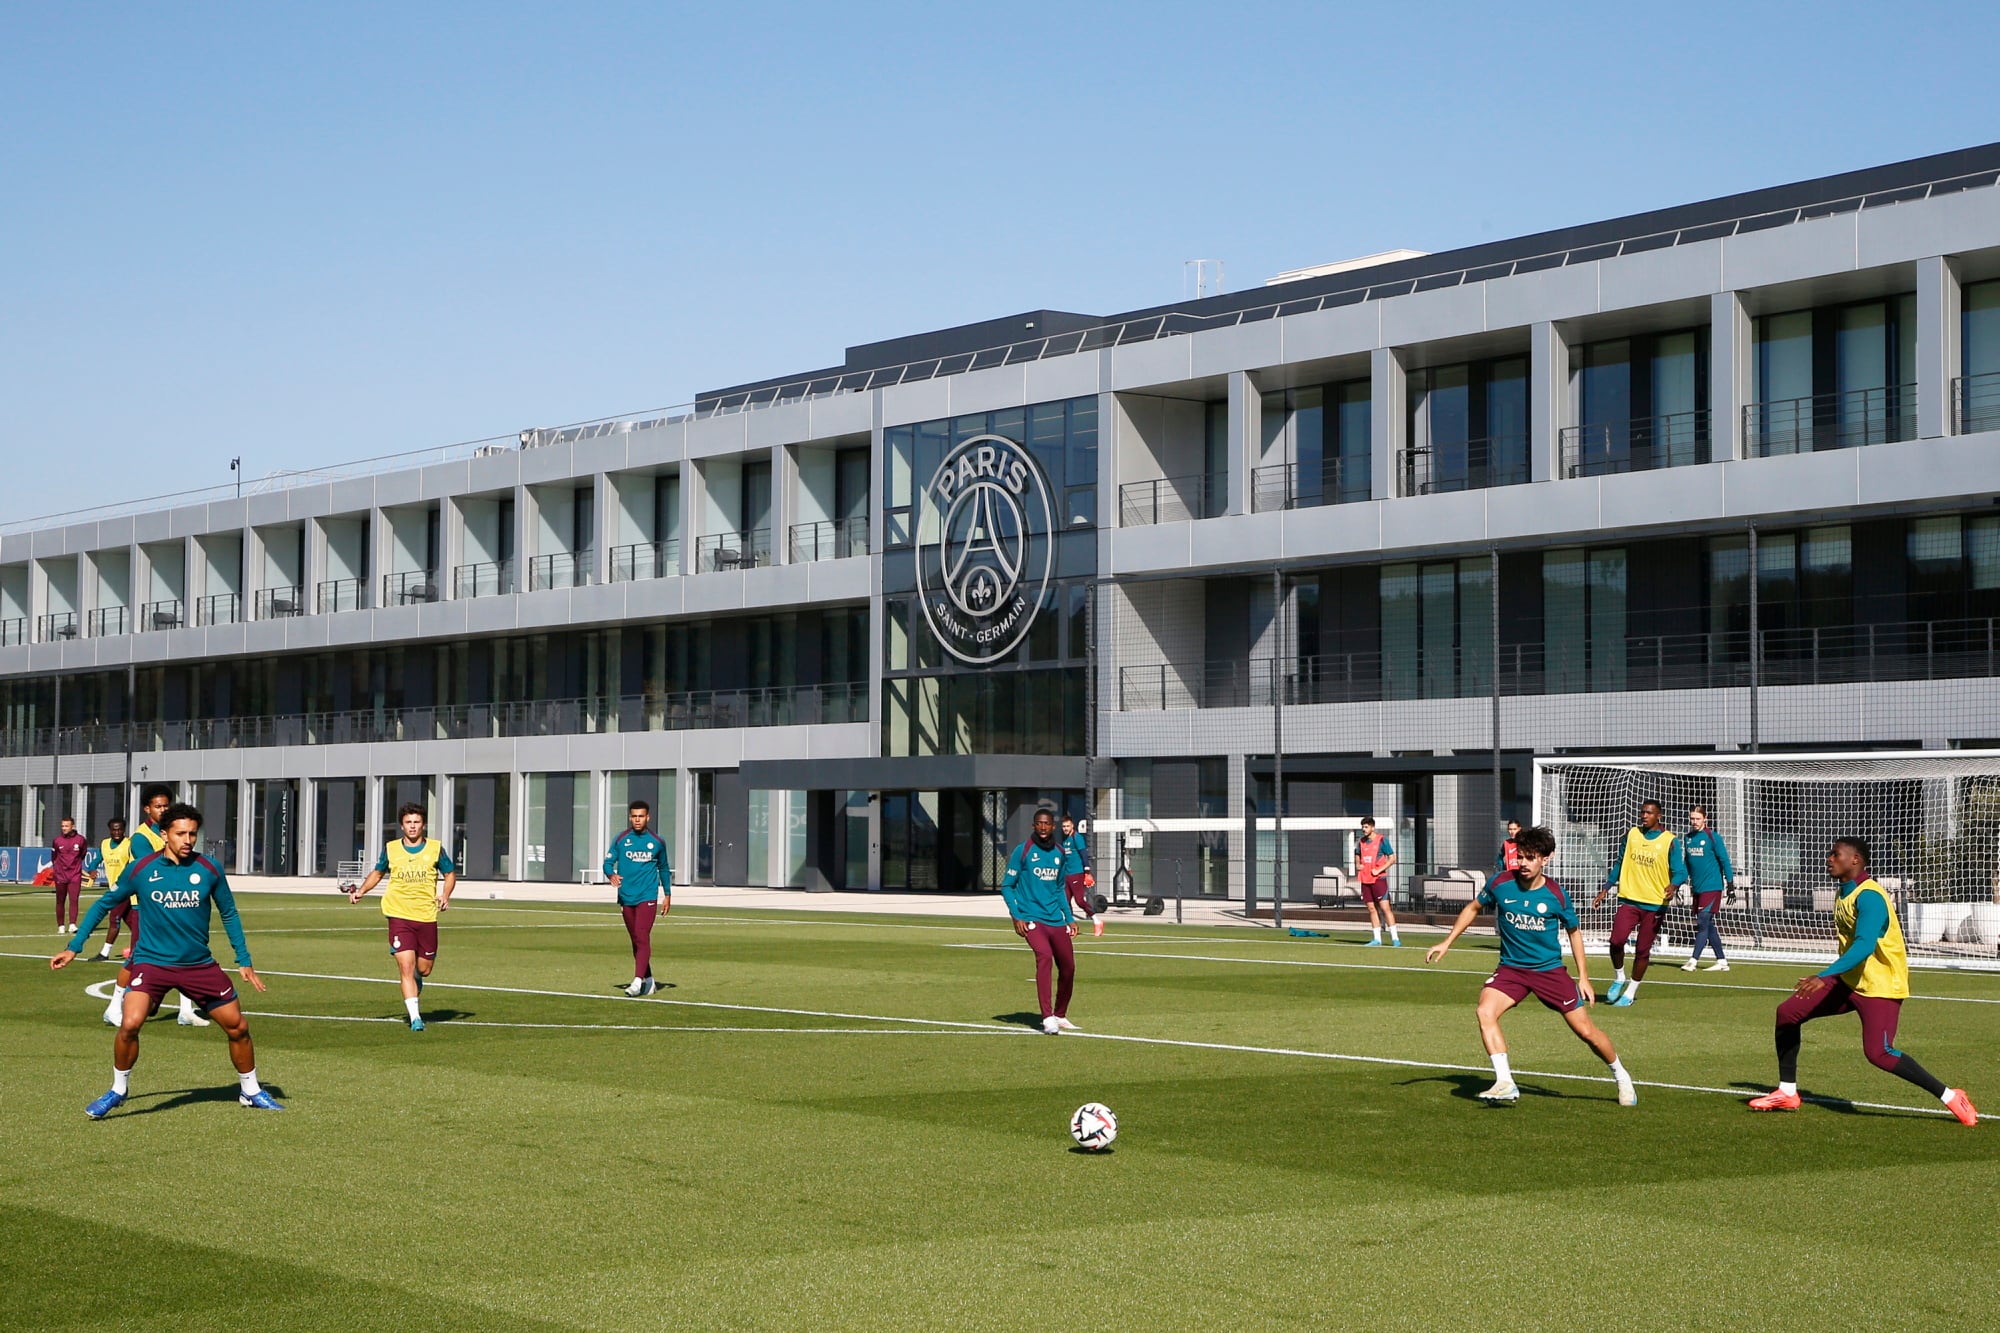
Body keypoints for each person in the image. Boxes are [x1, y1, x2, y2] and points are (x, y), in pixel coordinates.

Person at [52, 801, 283, 1116]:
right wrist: (74, 947)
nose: (188, 840)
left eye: (192, 834)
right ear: (164, 834)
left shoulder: (209, 869)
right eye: (180, 834)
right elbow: (103, 904)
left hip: (198, 965)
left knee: (238, 1027)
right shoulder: (142, 869)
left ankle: (250, 1089)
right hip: (152, 964)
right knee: (130, 1023)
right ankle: (118, 1089)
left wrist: (244, 959)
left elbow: (229, 913)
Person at [1748, 837, 1977, 1124]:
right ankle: (1787, 1092)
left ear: (1855, 860)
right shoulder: (1843, 891)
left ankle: (1951, 1096)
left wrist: (1824, 975)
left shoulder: (1870, 896)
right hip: (1849, 981)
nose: (1829, 858)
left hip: (1880, 986)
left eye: (1836, 854)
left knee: (1879, 1053)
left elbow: (1865, 944)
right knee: (1787, 1013)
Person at [1426, 824, 1637, 1106]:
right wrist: (1447, 941)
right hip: (1511, 970)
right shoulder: (1501, 883)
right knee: (1484, 1011)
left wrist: (1583, 977)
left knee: (1586, 1032)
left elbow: (1574, 933)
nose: (1523, 863)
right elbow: (1474, 908)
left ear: (1545, 859)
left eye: (1530, 857)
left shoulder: (1556, 895)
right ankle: (1505, 1082)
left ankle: (1621, 1076)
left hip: (1549, 972)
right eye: (1520, 857)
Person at [95, 785, 207, 1028]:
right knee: (136, 958)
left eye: (166, 805)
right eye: (158, 806)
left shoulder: (173, 830)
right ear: (147, 809)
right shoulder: (141, 838)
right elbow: (159, 867)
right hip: (147, 908)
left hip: (173, 904)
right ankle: (113, 1007)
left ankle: (185, 1010)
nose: (163, 809)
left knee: (184, 951)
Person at [348, 802, 458, 1031]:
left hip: (426, 916)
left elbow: (449, 874)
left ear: (423, 825)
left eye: (417, 822)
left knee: (424, 969)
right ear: (402, 826)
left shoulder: (435, 849)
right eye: (408, 822)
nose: (412, 826)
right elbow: (378, 872)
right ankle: (415, 1017)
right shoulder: (391, 849)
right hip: (398, 915)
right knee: (405, 966)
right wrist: (361, 891)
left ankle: (419, 978)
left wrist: (445, 894)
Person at [1590, 799, 1687, 1006]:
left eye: (1649, 813)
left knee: (1643, 949)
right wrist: (1605, 888)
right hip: (1630, 900)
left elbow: (1680, 871)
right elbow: (1619, 862)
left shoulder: (1670, 841)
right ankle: (1619, 977)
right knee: (1616, 940)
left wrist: (1673, 886)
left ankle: (1630, 992)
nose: (1644, 816)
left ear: (1658, 816)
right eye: (1642, 812)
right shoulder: (1631, 834)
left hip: (1655, 904)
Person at [1000, 808, 1079, 1035]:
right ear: (1033, 826)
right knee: (1044, 957)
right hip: (1032, 919)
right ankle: (1047, 1018)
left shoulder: (1060, 852)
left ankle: (1060, 1015)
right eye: (1039, 824)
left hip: (1055, 919)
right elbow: (1007, 886)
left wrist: (1070, 917)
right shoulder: (1022, 851)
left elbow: (1058, 890)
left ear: (1053, 826)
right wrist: (1017, 915)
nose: (1043, 827)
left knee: (1069, 967)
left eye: (1047, 824)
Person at [604, 799, 671, 996]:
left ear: (648, 817)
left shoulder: (657, 842)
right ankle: (649, 981)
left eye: (641, 816)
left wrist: (667, 894)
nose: (637, 820)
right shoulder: (621, 839)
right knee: (636, 940)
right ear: (630, 817)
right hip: (626, 897)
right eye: (634, 816)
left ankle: (637, 982)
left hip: (647, 896)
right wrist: (611, 875)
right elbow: (607, 863)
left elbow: (664, 868)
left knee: (642, 936)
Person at [1679, 805, 1735, 973]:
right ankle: (1722, 961)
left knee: (1703, 921)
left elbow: (1724, 860)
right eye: (1692, 818)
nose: (1694, 821)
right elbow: (1687, 863)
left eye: (1697, 818)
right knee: (1708, 924)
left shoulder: (1713, 837)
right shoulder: (1688, 838)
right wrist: (1679, 882)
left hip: (1712, 886)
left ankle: (1693, 960)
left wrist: (1730, 885)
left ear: (1705, 818)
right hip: (1697, 888)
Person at [85, 817, 136, 962]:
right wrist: (92, 869)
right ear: (110, 830)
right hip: (114, 888)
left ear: (124, 830)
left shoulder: (129, 845)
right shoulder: (105, 844)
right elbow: (96, 860)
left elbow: (133, 867)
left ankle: (104, 953)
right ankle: (149, 948)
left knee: (114, 919)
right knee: (132, 921)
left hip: (124, 889)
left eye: (120, 829)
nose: (117, 832)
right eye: (114, 829)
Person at [1353, 817, 1400, 946]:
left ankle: (1395, 938)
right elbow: (1357, 855)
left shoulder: (1382, 840)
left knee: (1385, 908)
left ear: (1373, 827)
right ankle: (1377, 939)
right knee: (1372, 909)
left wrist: (1379, 870)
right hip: (1365, 880)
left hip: (1379, 879)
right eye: (1363, 827)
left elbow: (1392, 858)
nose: (1364, 829)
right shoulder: (1361, 842)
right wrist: (1358, 864)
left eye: (1366, 827)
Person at [1059, 813, 1102, 938]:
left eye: (1067, 826)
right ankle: (1070, 926)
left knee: (1079, 901)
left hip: (1076, 873)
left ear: (1072, 825)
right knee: (1065, 902)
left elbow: (1083, 854)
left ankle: (1097, 921)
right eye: (1063, 826)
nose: (1065, 828)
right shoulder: (1065, 840)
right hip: (1066, 875)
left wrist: (1087, 872)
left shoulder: (1076, 838)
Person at [51, 815, 89, 937]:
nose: (64, 828)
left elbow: (82, 854)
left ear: (73, 826)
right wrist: (57, 870)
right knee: (60, 901)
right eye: (62, 826)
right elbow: (54, 857)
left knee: (74, 899)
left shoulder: (81, 840)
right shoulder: (57, 840)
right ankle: (61, 926)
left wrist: (75, 867)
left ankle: (72, 924)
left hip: (75, 875)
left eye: (66, 826)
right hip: (60, 875)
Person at [1491, 820, 1522, 885]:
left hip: (1521, 876)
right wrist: (1502, 870)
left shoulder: (1524, 842)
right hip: (1509, 876)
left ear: (1519, 829)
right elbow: (1500, 858)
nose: (1512, 832)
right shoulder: (1506, 843)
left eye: (1514, 829)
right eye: (1510, 829)